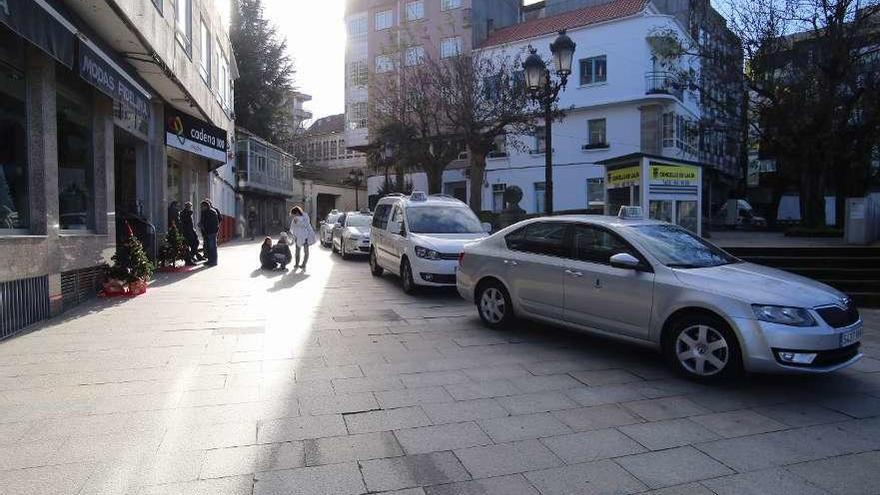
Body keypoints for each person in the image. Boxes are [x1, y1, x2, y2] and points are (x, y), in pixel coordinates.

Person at [288, 205, 316, 270]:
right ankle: (297, 264)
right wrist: (293, 234)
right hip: (298, 236)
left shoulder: (305, 216)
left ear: (297, 212)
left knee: (306, 251)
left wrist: (298, 222)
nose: (294, 216)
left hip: (306, 235)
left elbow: (306, 225)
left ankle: (304, 264)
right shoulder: (295, 218)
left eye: (294, 214)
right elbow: (292, 227)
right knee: (297, 251)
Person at [198, 200, 220, 266]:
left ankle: (213, 261)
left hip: (212, 232)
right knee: (208, 247)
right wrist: (201, 224)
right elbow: (203, 221)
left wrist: (204, 225)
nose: (201, 208)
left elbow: (213, 223)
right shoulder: (204, 212)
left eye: (202, 206)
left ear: (206, 206)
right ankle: (210, 260)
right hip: (207, 232)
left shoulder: (212, 212)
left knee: (212, 247)